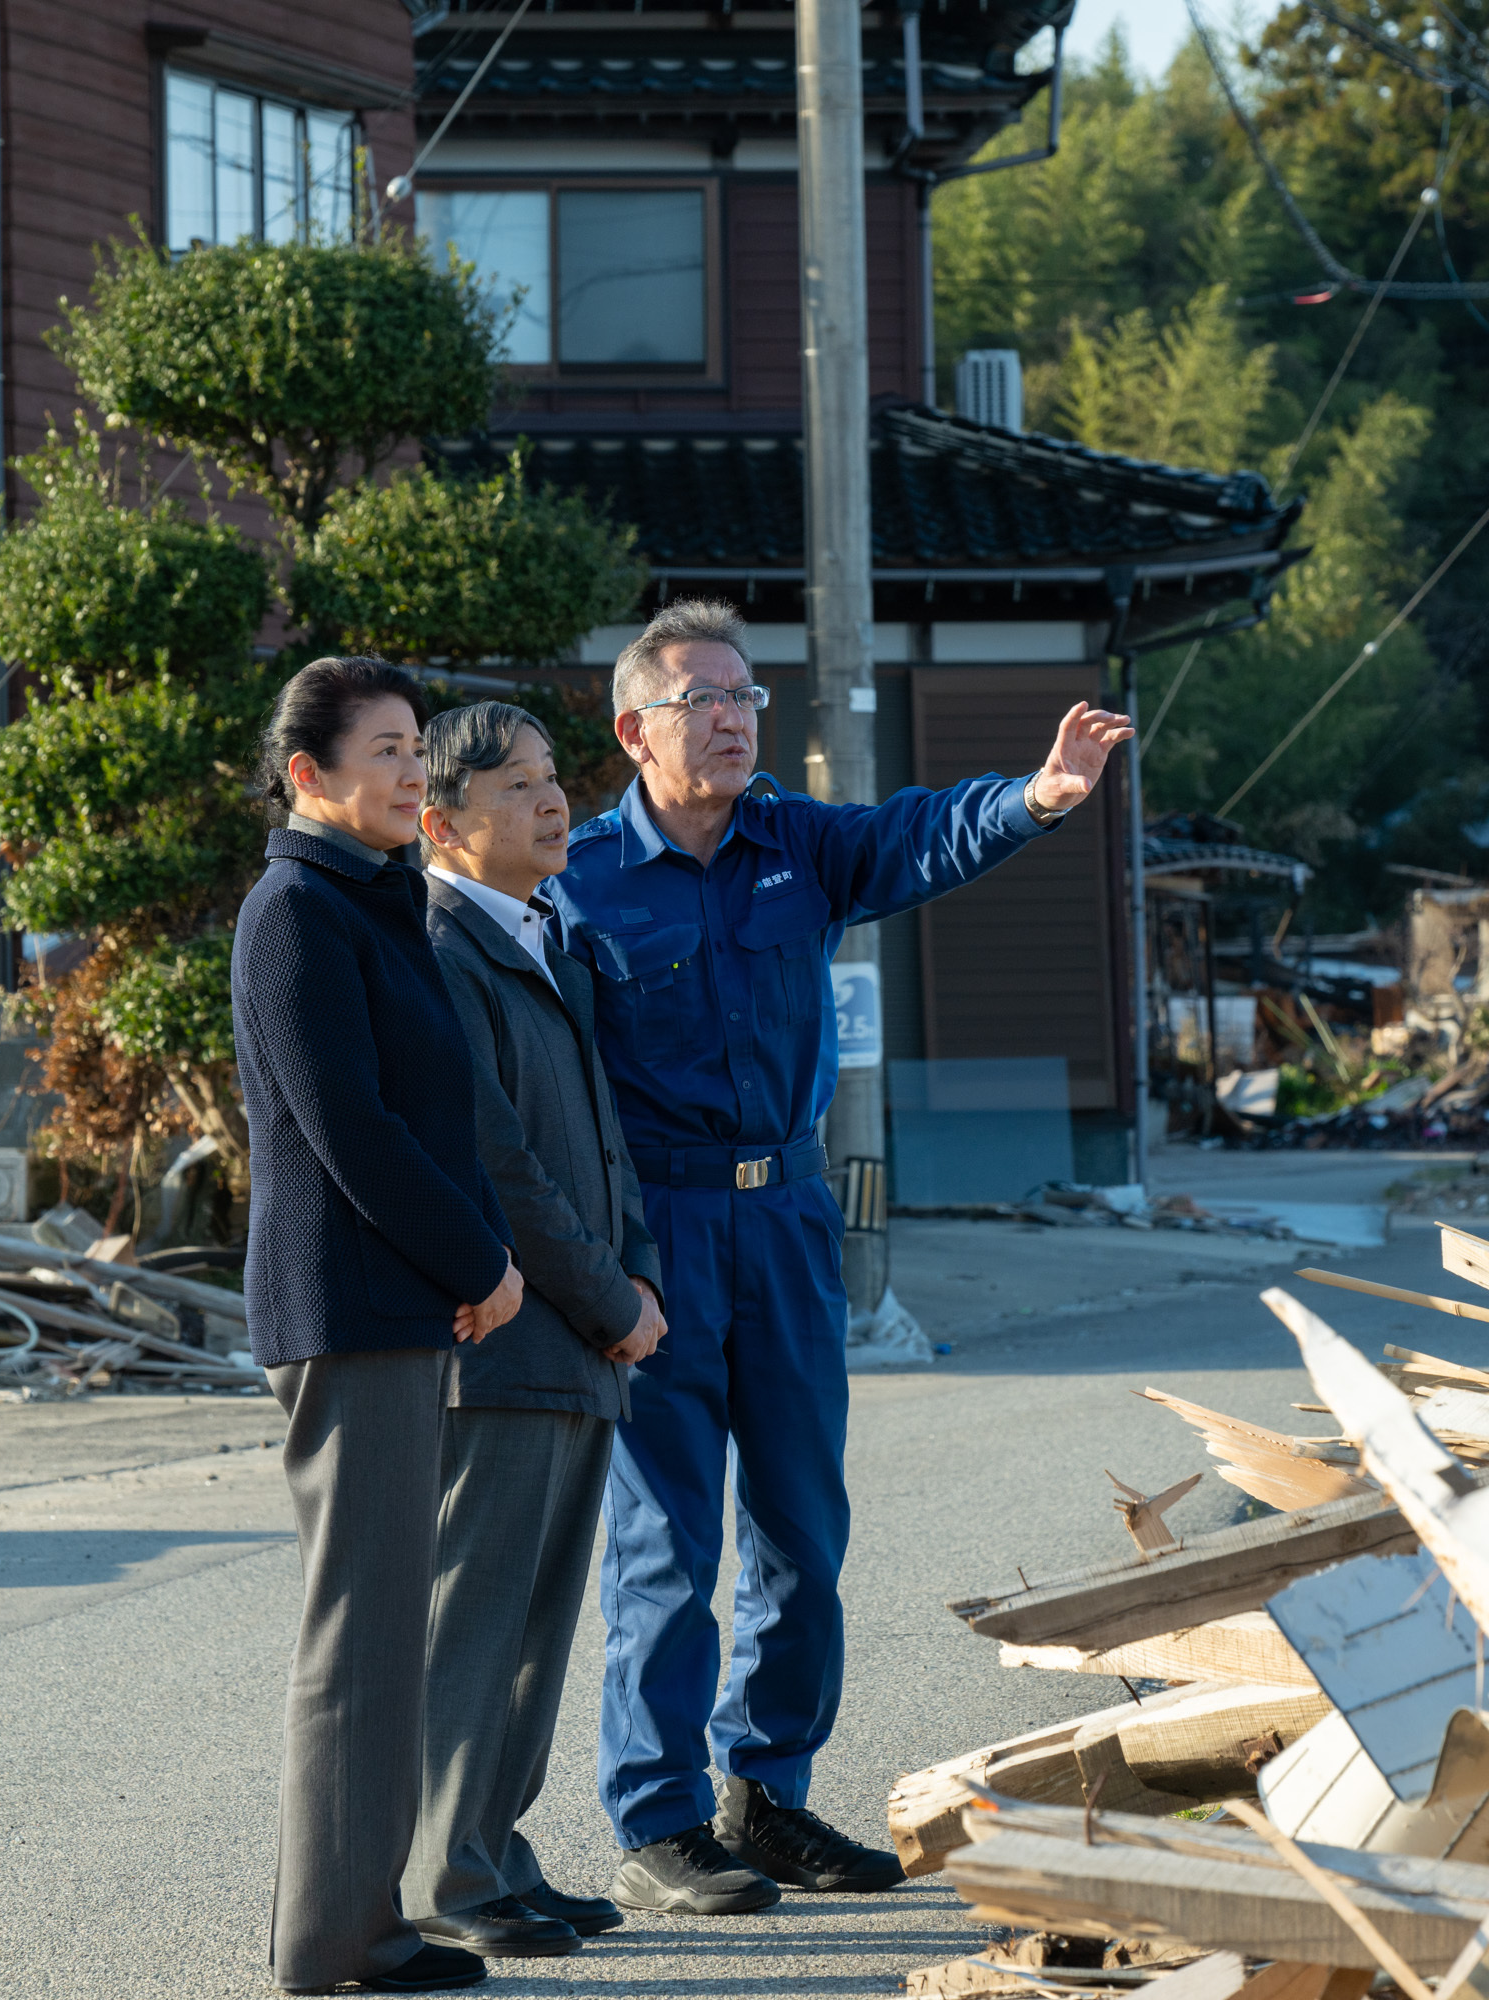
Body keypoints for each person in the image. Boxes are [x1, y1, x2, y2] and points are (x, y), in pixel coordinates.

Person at [550, 600, 1134, 1913]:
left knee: (804, 1533)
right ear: (633, 727)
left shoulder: (798, 844)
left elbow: (919, 834)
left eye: (747, 694)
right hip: (660, 1233)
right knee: (666, 1543)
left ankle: (767, 1795)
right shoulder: (578, 879)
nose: (735, 715)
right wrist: (591, 1263)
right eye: (704, 697)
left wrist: (1037, 797)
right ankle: (659, 1818)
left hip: (790, 1220)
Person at [233, 657, 526, 1995]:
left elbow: (435, 1118)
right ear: (310, 775)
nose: (416, 772)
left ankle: (364, 1924)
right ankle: (335, 1946)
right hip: (350, 1305)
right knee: (360, 1634)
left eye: (419, 749)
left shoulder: (375, 901)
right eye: (389, 751)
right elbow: (354, 1130)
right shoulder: (297, 911)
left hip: (396, 1299)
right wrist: (482, 1260)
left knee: (383, 1626)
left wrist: (471, 1260)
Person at [405, 701, 671, 1959]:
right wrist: (614, 1298)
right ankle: (448, 1878)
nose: (554, 800)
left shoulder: (549, 935)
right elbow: (498, 1161)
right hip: (506, 1340)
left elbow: (604, 1145)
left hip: (575, 1339)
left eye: (554, 778)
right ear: (441, 824)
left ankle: (497, 1851)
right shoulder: (443, 945)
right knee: (479, 1619)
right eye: (515, 787)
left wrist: (639, 1279)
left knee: (538, 1623)